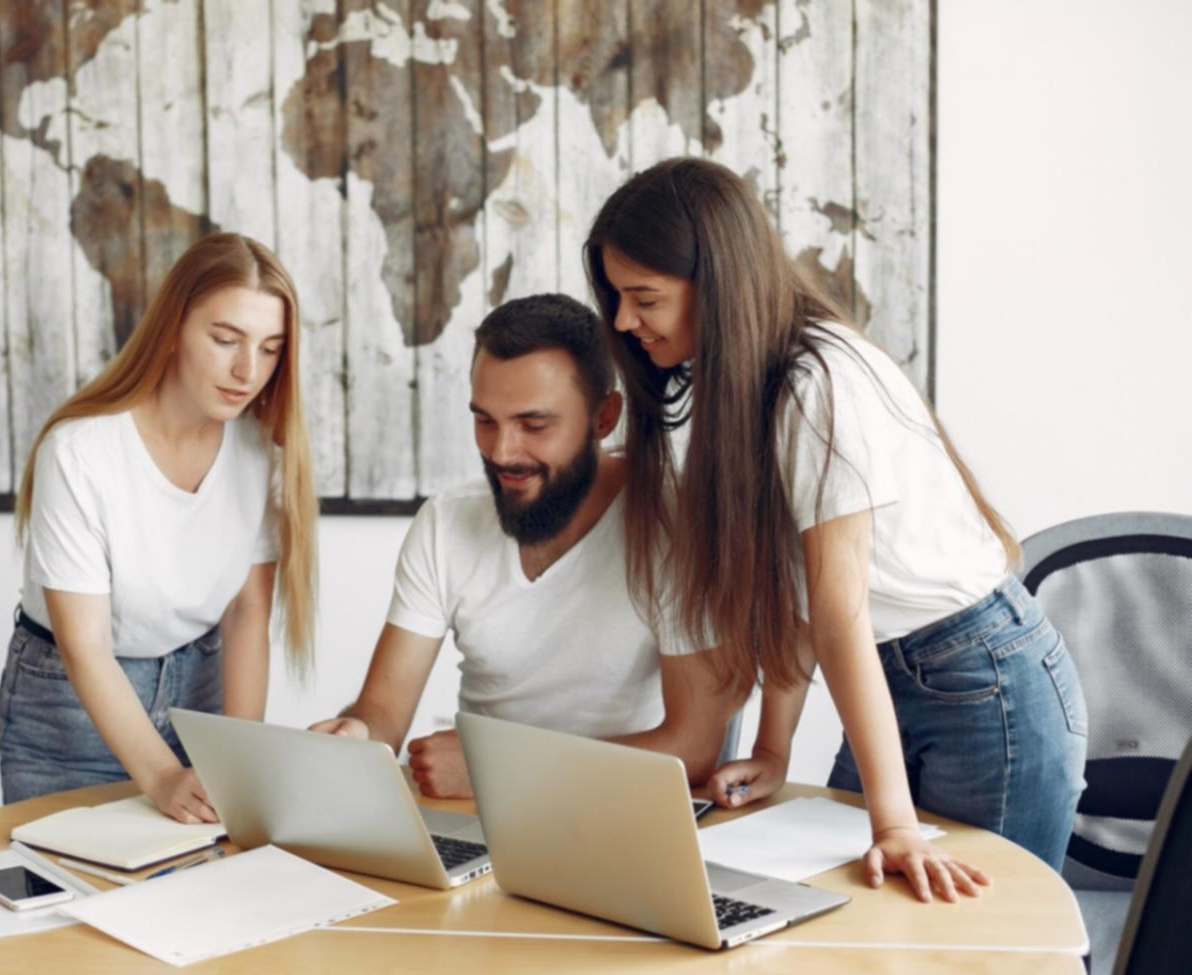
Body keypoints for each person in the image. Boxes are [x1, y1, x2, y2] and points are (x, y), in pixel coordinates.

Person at [584, 157, 1087, 902]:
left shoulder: (818, 381)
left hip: (982, 680)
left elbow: (838, 605)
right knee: (873, 921)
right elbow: (791, 589)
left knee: (985, 941)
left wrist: (892, 822)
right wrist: (771, 746)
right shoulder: (750, 385)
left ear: (716, 285)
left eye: (643, 297)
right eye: (618, 298)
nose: (624, 322)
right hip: (898, 673)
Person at [310, 293, 764, 796]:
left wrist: (499, 770)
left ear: (603, 418)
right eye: (485, 420)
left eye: (534, 425)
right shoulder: (445, 523)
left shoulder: (674, 525)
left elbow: (693, 747)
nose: (502, 452)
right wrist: (358, 734)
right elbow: (384, 712)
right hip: (479, 824)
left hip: (623, 812)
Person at [0, 232, 317, 824]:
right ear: (172, 329)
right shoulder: (79, 452)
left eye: (271, 349)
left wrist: (239, 762)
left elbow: (248, 611)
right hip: (71, 705)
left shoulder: (261, 457)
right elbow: (84, 645)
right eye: (225, 340)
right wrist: (163, 775)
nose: (248, 371)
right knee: (71, 901)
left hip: (202, 690)